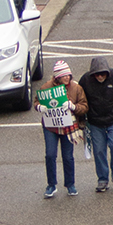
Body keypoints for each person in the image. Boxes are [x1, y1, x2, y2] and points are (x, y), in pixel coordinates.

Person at [77, 55, 113, 193]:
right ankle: (102, 179)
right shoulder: (85, 80)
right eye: (97, 74)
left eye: (102, 74)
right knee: (99, 151)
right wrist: (80, 119)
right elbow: (80, 100)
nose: (100, 77)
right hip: (95, 123)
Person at [36, 56, 85, 198]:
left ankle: (70, 185)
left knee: (68, 157)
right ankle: (51, 185)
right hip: (50, 127)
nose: (67, 78)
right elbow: (36, 101)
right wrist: (39, 107)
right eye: (63, 76)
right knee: (50, 155)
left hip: (68, 128)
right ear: (57, 77)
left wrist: (73, 107)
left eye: (68, 75)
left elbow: (84, 106)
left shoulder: (76, 88)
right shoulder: (46, 87)